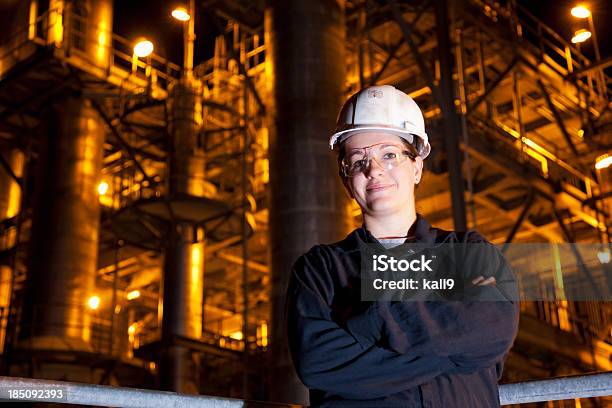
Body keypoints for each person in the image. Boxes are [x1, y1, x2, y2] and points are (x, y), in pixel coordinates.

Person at [285, 85, 519, 407]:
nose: (374, 169)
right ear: (346, 180)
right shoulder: (320, 269)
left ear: (417, 167)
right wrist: (452, 354)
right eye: (357, 160)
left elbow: (493, 329)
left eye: (389, 154)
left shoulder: (468, 252)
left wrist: (367, 318)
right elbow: (317, 361)